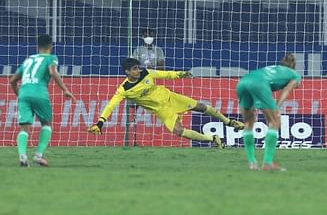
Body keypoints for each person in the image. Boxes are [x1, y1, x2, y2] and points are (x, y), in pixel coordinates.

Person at [88, 58, 244, 147]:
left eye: (138, 68)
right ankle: (213, 139)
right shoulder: (123, 89)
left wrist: (180, 74)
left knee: (201, 106)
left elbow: (165, 74)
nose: (138, 70)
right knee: (178, 131)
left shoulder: (146, 73)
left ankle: (229, 122)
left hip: (170, 97)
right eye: (134, 69)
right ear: (127, 72)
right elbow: (110, 106)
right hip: (162, 110)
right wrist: (100, 123)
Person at [9, 34, 76, 167]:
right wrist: (65, 89)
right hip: (40, 93)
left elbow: (12, 80)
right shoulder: (51, 58)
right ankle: (38, 155)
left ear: (37, 46)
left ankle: (22, 156)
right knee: (46, 123)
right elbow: (52, 72)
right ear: (51, 46)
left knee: (24, 127)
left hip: (24, 93)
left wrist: (20, 94)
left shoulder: (28, 60)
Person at [236, 53, 301, 171]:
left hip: (243, 82)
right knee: (275, 122)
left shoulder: (273, 68)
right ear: (294, 66)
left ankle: (252, 163)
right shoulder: (295, 75)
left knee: (248, 123)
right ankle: (268, 163)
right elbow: (287, 90)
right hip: (259, 84)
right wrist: (277, 107)